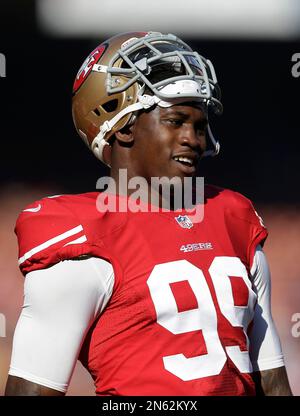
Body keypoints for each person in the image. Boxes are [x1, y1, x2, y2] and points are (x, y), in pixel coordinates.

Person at [5, 31, 292, 396]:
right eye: (176, 121)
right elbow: (32, 390)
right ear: (123, 127)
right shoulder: (81, 238)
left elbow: (273, 381)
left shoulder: (234, 217)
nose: (195, 139)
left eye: (200, 126)